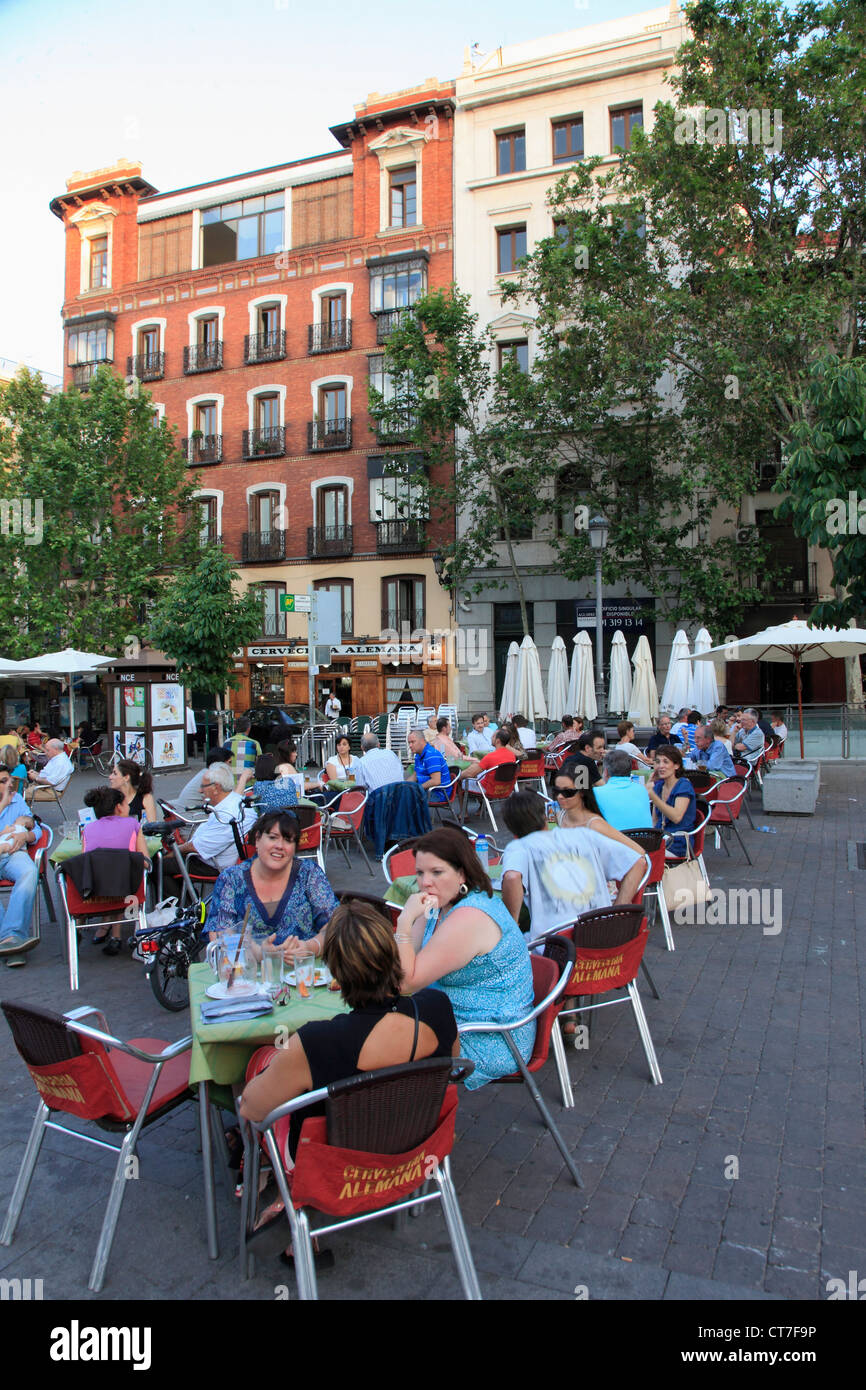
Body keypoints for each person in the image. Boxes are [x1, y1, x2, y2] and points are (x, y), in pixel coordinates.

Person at [239, 900, 457, 1256]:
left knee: (262, 1068)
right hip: (415, 1150)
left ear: (334, 975)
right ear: (392, 953)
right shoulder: (437, 1007)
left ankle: (289, 1201)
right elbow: (447, 1075)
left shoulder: (316, 1042)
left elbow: (251, 1109)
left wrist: (265, 1067)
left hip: (336, 1167)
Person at [393, 827, 535, 1089]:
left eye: (437, 872)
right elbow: (399, 960)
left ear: (462, 874)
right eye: (420, 873)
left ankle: (407, 1121)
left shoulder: (470, 916)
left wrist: (404, 920)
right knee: (369, 1030)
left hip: (490, 1038)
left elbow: (406, 983)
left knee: (374, 1045)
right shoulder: (440, 904)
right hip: (449, 1019)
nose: (425, 882)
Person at [501, 791, 645, 940]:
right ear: (545, 816)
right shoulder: (583, 834)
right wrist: (617, 912)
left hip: (558, 946)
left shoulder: (519, 847)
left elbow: (512, 877)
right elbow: (638, 862)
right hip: (605, 938)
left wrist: (510, 923)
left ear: (512, 829)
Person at [207, 810, 338, 955]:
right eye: (273, 837)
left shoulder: (308, 874)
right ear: (257, 839)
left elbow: (334, 925)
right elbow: (219, 934)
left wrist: (310, 947)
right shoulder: (232, 879)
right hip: (247, 972)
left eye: (288, 840)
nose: (280, 846)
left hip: (301, 970)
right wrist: (259, 953)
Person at [81, 786, 152, 955]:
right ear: (119, 807)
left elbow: (86, 861)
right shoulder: (132, 824)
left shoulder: (88, 829)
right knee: (123, 873)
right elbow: (146, 862)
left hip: (95, 894)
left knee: (111, 873)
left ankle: (113, 935)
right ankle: (116, 936)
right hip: (128, 894)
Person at [171, 761, 257, 877]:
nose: (200, 791)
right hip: (224, 859)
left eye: (203, 787)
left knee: (159, 864)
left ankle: (186, 895)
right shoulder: (234, 802)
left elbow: (196, 847)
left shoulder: (226, 813)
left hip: (216, 866)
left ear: (216, 788)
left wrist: (174, 851)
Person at [0, 765, 38, 961]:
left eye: (9, 780)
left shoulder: (17, 800)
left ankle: (11, 937)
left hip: (14, 853)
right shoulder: (8, 801)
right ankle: (10, 941)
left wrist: (26, 835)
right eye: (3, 781)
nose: (9, 785)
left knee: (29, 872)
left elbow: (36, 829)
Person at [646, 745, 697, 858]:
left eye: (666, 762)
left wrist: (653, 796)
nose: (661, 766)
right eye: (658, 762)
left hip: (678, 841)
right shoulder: (659, 787)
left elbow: (676, 817)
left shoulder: (683, 786)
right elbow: (655, 820)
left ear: (676, 765)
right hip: (660, 839)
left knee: (641, 857)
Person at [593, 749, 654, 829]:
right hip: (645, 840)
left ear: (606, 772)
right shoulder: (642, 790)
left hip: (614, 840)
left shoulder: (596, 793)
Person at [108, 759, 158, 824]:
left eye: (115, 773)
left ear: (126, 778)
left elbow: (152, 827)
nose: (110, 777)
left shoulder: (146, 798)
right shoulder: (110, 798)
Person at [407, 726, 450, 803]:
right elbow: (415, 776)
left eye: (413, 742)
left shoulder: (431, 755)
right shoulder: (418, 754)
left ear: (422, 741)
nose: (410, 746)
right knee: (401, 794)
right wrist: (402, 786)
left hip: (438, 793)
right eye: (409, 743)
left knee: (405, 798)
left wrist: (417, 788)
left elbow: (436, 781)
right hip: (429, 790)